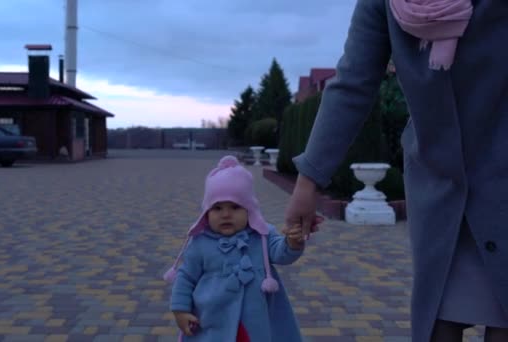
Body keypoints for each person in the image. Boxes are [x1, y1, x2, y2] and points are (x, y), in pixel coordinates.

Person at [284, 0, 508, 341]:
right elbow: (353, 83)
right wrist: (308, 180)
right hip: (440, 189)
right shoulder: (382, 5)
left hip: (502, 180)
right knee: (438, 322)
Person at [163, 155, 321, 341]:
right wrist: (180, 309)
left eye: (235, 207)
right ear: (206, 212)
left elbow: (281, 254)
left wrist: (293, 243)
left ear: (249, 209)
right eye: (218, 208)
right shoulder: (200, 242)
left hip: (253, 323)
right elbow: (186, 277)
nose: (226, 214)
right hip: (213, 323)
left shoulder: (262, 234)